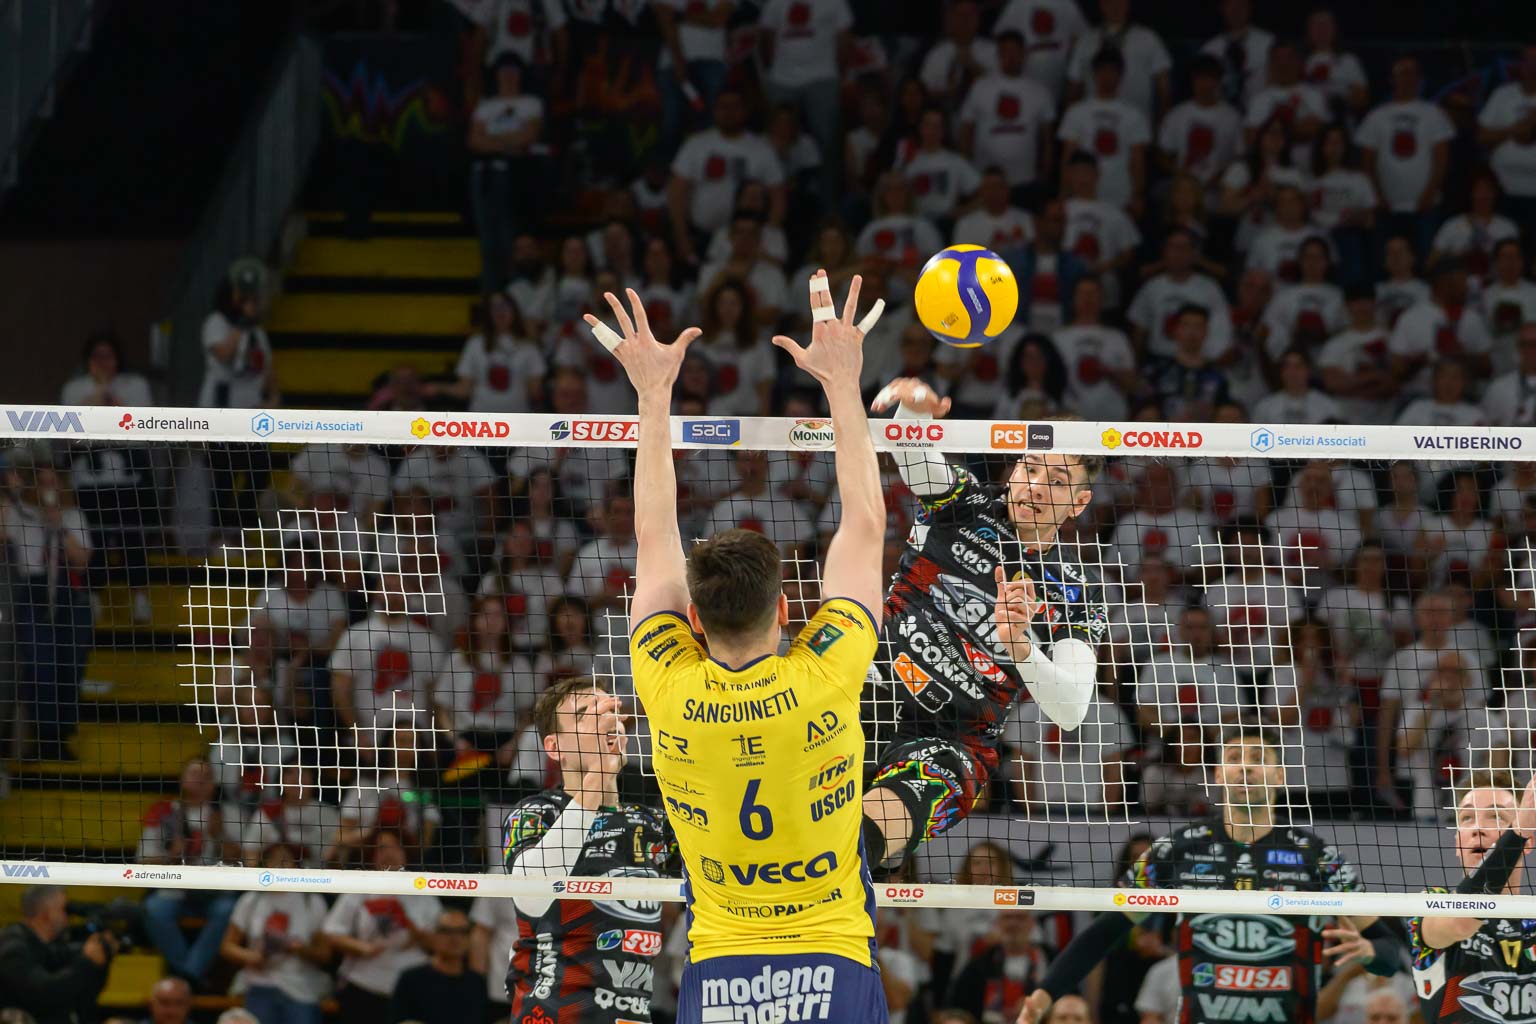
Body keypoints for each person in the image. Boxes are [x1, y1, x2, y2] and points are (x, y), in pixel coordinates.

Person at [597, 274, 889, 1020]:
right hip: (833, 960)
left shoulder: (668, 684)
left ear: (694, 620)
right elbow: (864, 527)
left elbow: (653, 537)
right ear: (787, 609)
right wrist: (842, 383)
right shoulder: (825, 672)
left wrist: (653, 394)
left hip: (721, 969)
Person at [859, 379, 1106, 873]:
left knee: (855, 845)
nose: (1035, 487)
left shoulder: (1077, 593)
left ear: (1079, 503)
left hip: (951, 744)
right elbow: (913, 455)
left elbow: (1071, 709)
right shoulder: (966, 505)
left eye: (1058, 482)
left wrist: (1021, 646)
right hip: (866, 694)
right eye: (1030, 468)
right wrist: (915, 412)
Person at [1016, 731, 1407, 1024]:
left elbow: (1389, 954)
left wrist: (1370, 954)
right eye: (1234, 758)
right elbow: (1104, 932)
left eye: (1258, 758)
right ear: (1218, 774)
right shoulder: (1175, 850)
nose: (1245, 767)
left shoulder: (1317, 856)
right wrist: (1045, 993)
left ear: (1279, 775)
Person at [500, 676, 674, 1023]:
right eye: (585, 715)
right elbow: (533, 896)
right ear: (555, 747)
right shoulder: (536, 812)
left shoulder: (654, 823)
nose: (604, 722)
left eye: (607, 711)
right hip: (552, 1014)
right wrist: (597, 772)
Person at [1407, 769, 1536, 1021]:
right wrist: (1518, 832)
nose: (1478, 828)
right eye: (1467, 818)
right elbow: (1462, 921)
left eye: (1496, 816)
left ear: (1529, 842)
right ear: (1458, 843)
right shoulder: (1430, 904)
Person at [322, 831, 441, 1024]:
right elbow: (331, 931)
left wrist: (411, 927)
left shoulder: (423, 890)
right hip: (363, 985)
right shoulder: (361, 887)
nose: (389, 853)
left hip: (409, 989)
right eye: (382, 848)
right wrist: (362, 948)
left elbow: (439, 943)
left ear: (405, 853)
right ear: (373, 855)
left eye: (395, 847)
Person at [219, 843, 332, 1024]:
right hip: (259, 984)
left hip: (300, 987)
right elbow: (227, 946)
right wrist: (252, 956)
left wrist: (300, 949)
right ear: (265, 865)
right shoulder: (251, 900)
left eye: (285, 860)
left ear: (296, 865)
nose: (280, 865)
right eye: (273, 860)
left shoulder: (312, 901)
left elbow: (325, 954)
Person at [0, 885, 114, 1024]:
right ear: (46, 913)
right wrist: (87, 962)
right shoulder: (13, 948)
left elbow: (82, 992)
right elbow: (42, 994)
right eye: (64, 909)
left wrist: (100, 959)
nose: (67, 918)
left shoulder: (47, 946)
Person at [388, 908, 488, 1024]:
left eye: (463, 931)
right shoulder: (411, 980)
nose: (455, 938)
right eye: (446, 931)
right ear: (433, 935)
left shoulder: (477, 983)